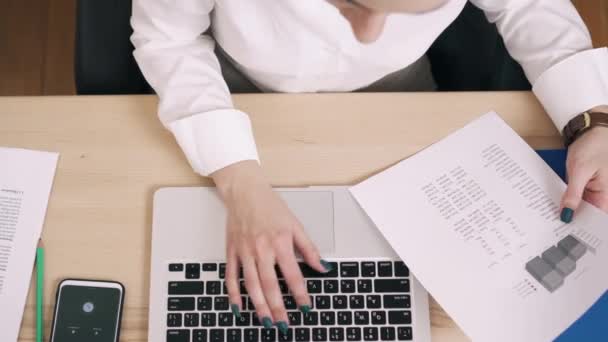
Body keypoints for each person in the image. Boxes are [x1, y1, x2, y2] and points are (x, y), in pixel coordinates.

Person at [131, 0, 608, 334]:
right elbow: (169, 38)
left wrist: (592, 119)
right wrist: (235, 175)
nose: (364, 37)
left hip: (401, 90)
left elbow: (528, 5)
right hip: (232, 86)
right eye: (347, 1)